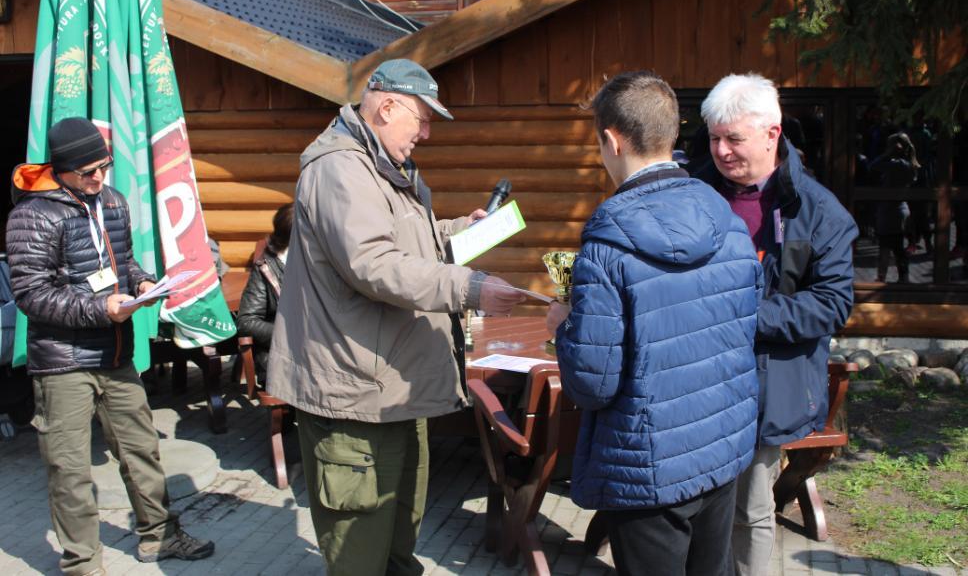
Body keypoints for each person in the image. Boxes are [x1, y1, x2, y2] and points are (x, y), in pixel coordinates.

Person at [266, 58, 524, 575]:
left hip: (392, 390)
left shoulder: (381, 164)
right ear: (387, 106)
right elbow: (373, 265)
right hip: (354, 399)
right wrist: (468, 288)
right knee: (361, 556)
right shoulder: (340, 168)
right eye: (422, 118)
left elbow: (400, 244)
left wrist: (456, 232)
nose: (426, 133)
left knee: (398, 550)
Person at [545, 71, 762, 576]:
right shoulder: (728, 224)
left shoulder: (606, 249)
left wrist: (567, 326)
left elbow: (593, 384)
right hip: (720, 449)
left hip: (648, 464)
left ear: (612, 140)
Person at [5, 117, 214, 575]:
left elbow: (123, 263)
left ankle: (158, 537)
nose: (99, 178)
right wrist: (101, 309)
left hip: (115, 354)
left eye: (104, 166)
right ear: (61, 169)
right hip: (63, 364)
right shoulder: (33, 214)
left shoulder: (113, 202)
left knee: (141, 450)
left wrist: (142, 283)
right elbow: (32, 295)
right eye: (88, 172)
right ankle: (82, 563)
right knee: (70, 470)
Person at [695, 73, 858, 576]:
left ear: (772, 133)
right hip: (694, 378)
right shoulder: (693, 193)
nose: (721, 150)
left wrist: (742, 316)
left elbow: (831, 304)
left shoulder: (818, 211)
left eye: (734, 139)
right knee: (689, 505)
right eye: (714, 138)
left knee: (748, 508)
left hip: (768, 382)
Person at [236, 202, 294, 386]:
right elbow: (246, 321)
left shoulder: (319, 263)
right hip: (279, 357)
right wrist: (290, 334)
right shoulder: (266, 268)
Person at [869, 132, 919, 282]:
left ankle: (883, 277)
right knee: (897, 245)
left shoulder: (898, 164)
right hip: (898, 208)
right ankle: (903, 276)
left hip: (891, 210)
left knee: (887, 245)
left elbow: (874, 166)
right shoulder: (909, 164)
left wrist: (887, 154)